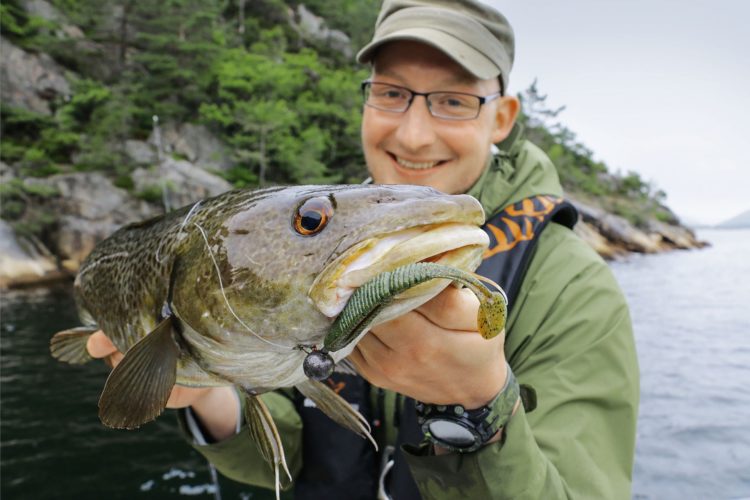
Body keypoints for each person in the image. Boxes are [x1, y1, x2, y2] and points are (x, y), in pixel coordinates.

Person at [88, 0, 639, 498]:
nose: (414, 135)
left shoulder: (577, 291)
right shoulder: (334, 239)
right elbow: (298, 456)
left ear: (502, 118)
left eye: (454, 100)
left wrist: (475, 408)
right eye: (392, 93)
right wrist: (205, 391)